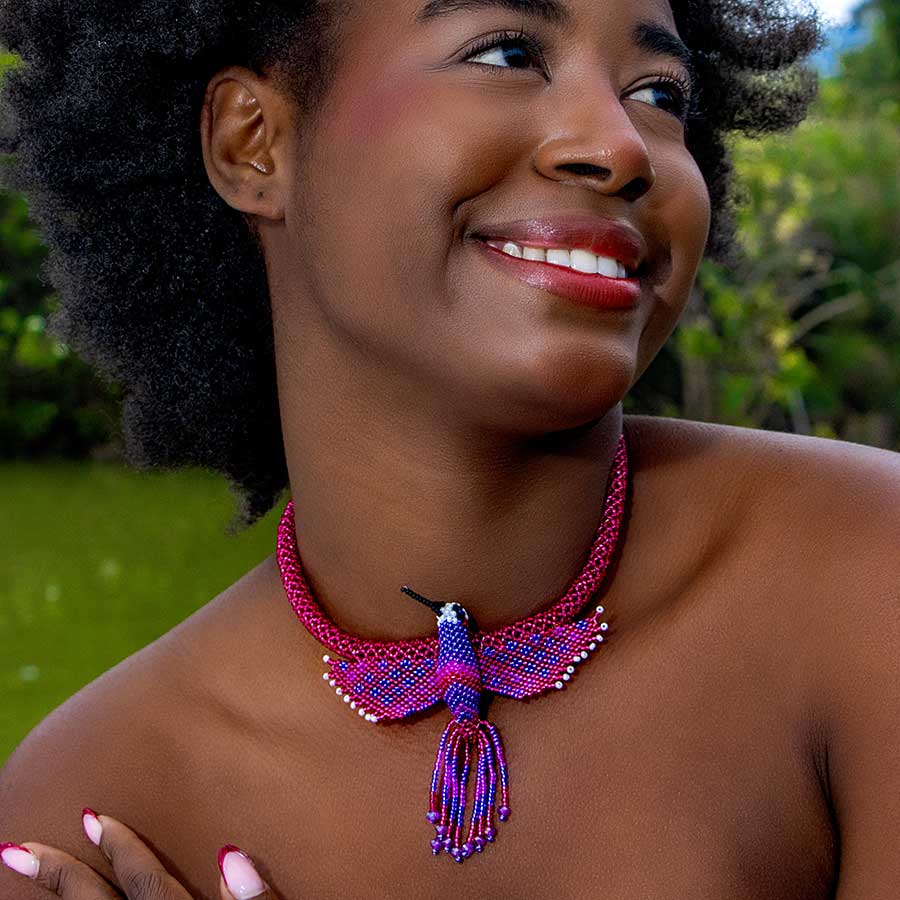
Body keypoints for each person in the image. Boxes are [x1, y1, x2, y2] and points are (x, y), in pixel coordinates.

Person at [0, 0, 898, 897]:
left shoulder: (863, 583)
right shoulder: (96, 802)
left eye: (660, 94)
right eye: (506, 54)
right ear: (253, 143)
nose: (621, 147)